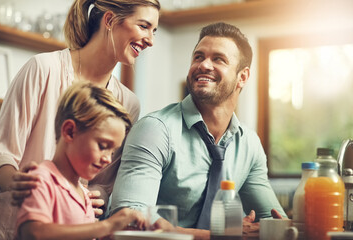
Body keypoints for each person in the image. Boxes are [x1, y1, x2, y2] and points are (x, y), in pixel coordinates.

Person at [0, 0, 160, 239]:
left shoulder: (128, 103)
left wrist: (90, 197)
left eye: (154, 31)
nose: (151, 40)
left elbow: (103, 184)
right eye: (144, 26)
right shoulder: (43, 69)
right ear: (110, 20)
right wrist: (26, 185)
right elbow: (2, 155)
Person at [109, 22, 286, 239]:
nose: (203, 65)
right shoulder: (155, 129)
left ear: (243, 77)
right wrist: (219, 236)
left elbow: (273, 219)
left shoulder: (249, 144)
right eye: (198, 57)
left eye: (218, 59)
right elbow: (128, 219)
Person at [15, 81, 145, 240]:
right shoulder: (40, 179)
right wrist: (106, 225)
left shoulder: (84, 194)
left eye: (112, 152)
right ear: (69, 131)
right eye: (103, 146)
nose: (108, 159)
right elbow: (34, 232)